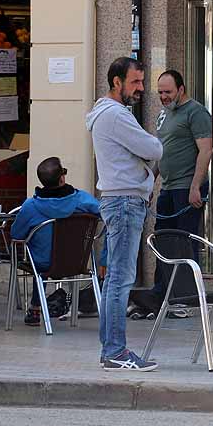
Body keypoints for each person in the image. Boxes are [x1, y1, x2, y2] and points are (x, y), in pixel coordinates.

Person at [85, 57, 163, 372]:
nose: (141, 89)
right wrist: (151, 146)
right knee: (120, 278)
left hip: (120, 200)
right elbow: (154, 149)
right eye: (135, 82)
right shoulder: (116, 116)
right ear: (116, 82)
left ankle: (111, 349)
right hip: (125, 201)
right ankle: (116, 351)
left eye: (142, 82)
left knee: (115, 277)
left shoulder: (107, 114)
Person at [140, 69, 213, 317]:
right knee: (163, 240)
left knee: (184, 242)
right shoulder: (164, 114)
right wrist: (150, 182)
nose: (164, 97)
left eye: (168, 92)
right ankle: (162, 293)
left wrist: (195, 186)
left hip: (187, 188)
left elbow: (206, 151)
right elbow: (162, 150)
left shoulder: (196, 112)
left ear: (181, 89)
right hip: (169, 187)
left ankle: (185, 297)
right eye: (160, 92)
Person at [10, 157, 101, 327]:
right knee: (49, 256)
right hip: (76, 261)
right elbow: (102, 212)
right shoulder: (82, 200)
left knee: (39, 258)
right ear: (62, 179)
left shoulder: (30, 206)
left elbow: (16, 234)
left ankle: (35, 308)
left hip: (43, 263)